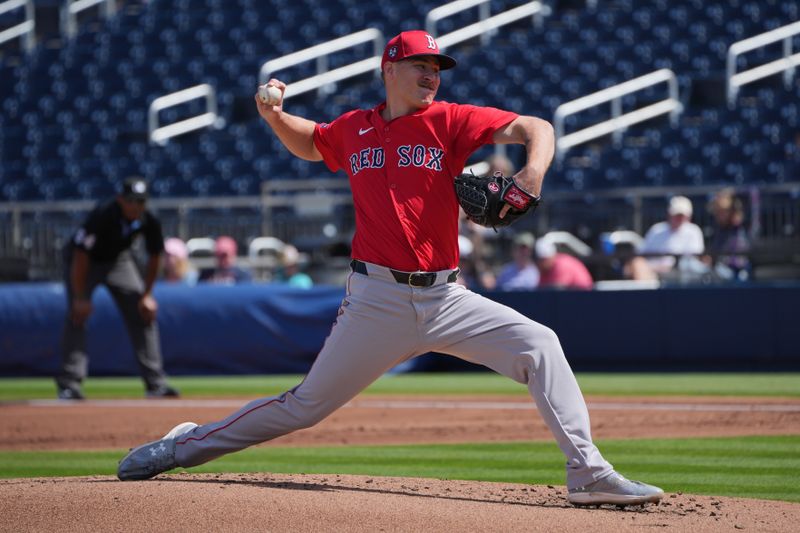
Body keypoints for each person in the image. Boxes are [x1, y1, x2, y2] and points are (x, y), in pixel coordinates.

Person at [118, 30, 663, 506]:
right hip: (375, 300)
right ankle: (181, 446)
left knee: (539, 344)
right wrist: (275, 117)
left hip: (447, 298)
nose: (431, 75)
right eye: (420, 66)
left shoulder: (450, 121)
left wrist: (533, 175)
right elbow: (312, 143)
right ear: (389, 70)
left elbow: (536, 127)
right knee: (305, 406)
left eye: (437, 68)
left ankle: (589, 474)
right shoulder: (355, 128)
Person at [56, 177, 179, 400]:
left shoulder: (148, 219)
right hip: (84, 262)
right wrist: (81, 297)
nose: (136, 206)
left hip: (118, 261)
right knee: (77, 315)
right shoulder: (103, 214)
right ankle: (69, 384)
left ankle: (155, 383)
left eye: (141, 201)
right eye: (132, 200)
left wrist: (147, 295)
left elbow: (155, 257)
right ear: (121, 200)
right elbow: (81, 254)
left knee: (144, 313)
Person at [626, 196, 705, 281]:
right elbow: (641, 251)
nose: (679, 218)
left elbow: (692, 258)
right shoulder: (657, 230)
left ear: (689, 216)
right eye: (676, 215)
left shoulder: (693, 231)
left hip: (678, 271)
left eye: (682, 215)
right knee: (637, 264)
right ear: (669, 214)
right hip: (651, 270)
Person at [706, 188, 751, 281]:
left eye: (724, 211)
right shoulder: (719, 230)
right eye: (719, 212)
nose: (721, 214)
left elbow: (752, 194)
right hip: (721, 270)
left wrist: (731, 192)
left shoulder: (741, 227)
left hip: (739, 271)